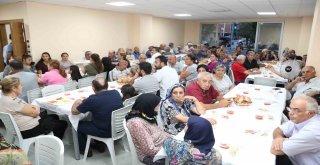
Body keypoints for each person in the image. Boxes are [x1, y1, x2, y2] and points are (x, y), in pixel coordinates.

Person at [0, 77, 67, 139]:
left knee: (54, 116)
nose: (22, 87)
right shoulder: (12, 101)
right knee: (62, 123)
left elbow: (27, 108)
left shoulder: (4, 98)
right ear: (14, 88)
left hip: (21, 127)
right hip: (27, 130)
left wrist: (33, 108)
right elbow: (35, 113)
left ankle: (46, 140)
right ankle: (52, 144)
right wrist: (36, 107)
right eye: (20, 85)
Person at [71, 77, 123, 156]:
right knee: (97, 118)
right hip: (119, 128)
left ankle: (85, 150)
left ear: (93, 88)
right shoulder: (116, 93)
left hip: (106, 131)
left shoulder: (93, 99)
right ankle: (99, 144)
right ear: (107, 86)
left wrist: (76, 102)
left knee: (77, 125)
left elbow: (74, 112)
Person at [270, 96, 320, 165]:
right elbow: (278, 129)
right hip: (291, 158)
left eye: (297, 110)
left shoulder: (313, 131)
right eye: (290, 108)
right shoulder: (301, 118)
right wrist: (278, 138)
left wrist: (284, 140)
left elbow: (276, 151)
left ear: (311, 113)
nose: (290, 113)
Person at [125, 93, 171, 165]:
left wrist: (173, 137)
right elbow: (149, 150)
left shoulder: (146, 114)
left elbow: (158, 132)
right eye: (157, 105)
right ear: (149, 106)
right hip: (151, 156)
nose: (159, 106)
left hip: (162, 145)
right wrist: (171, 148)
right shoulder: (136, 124)